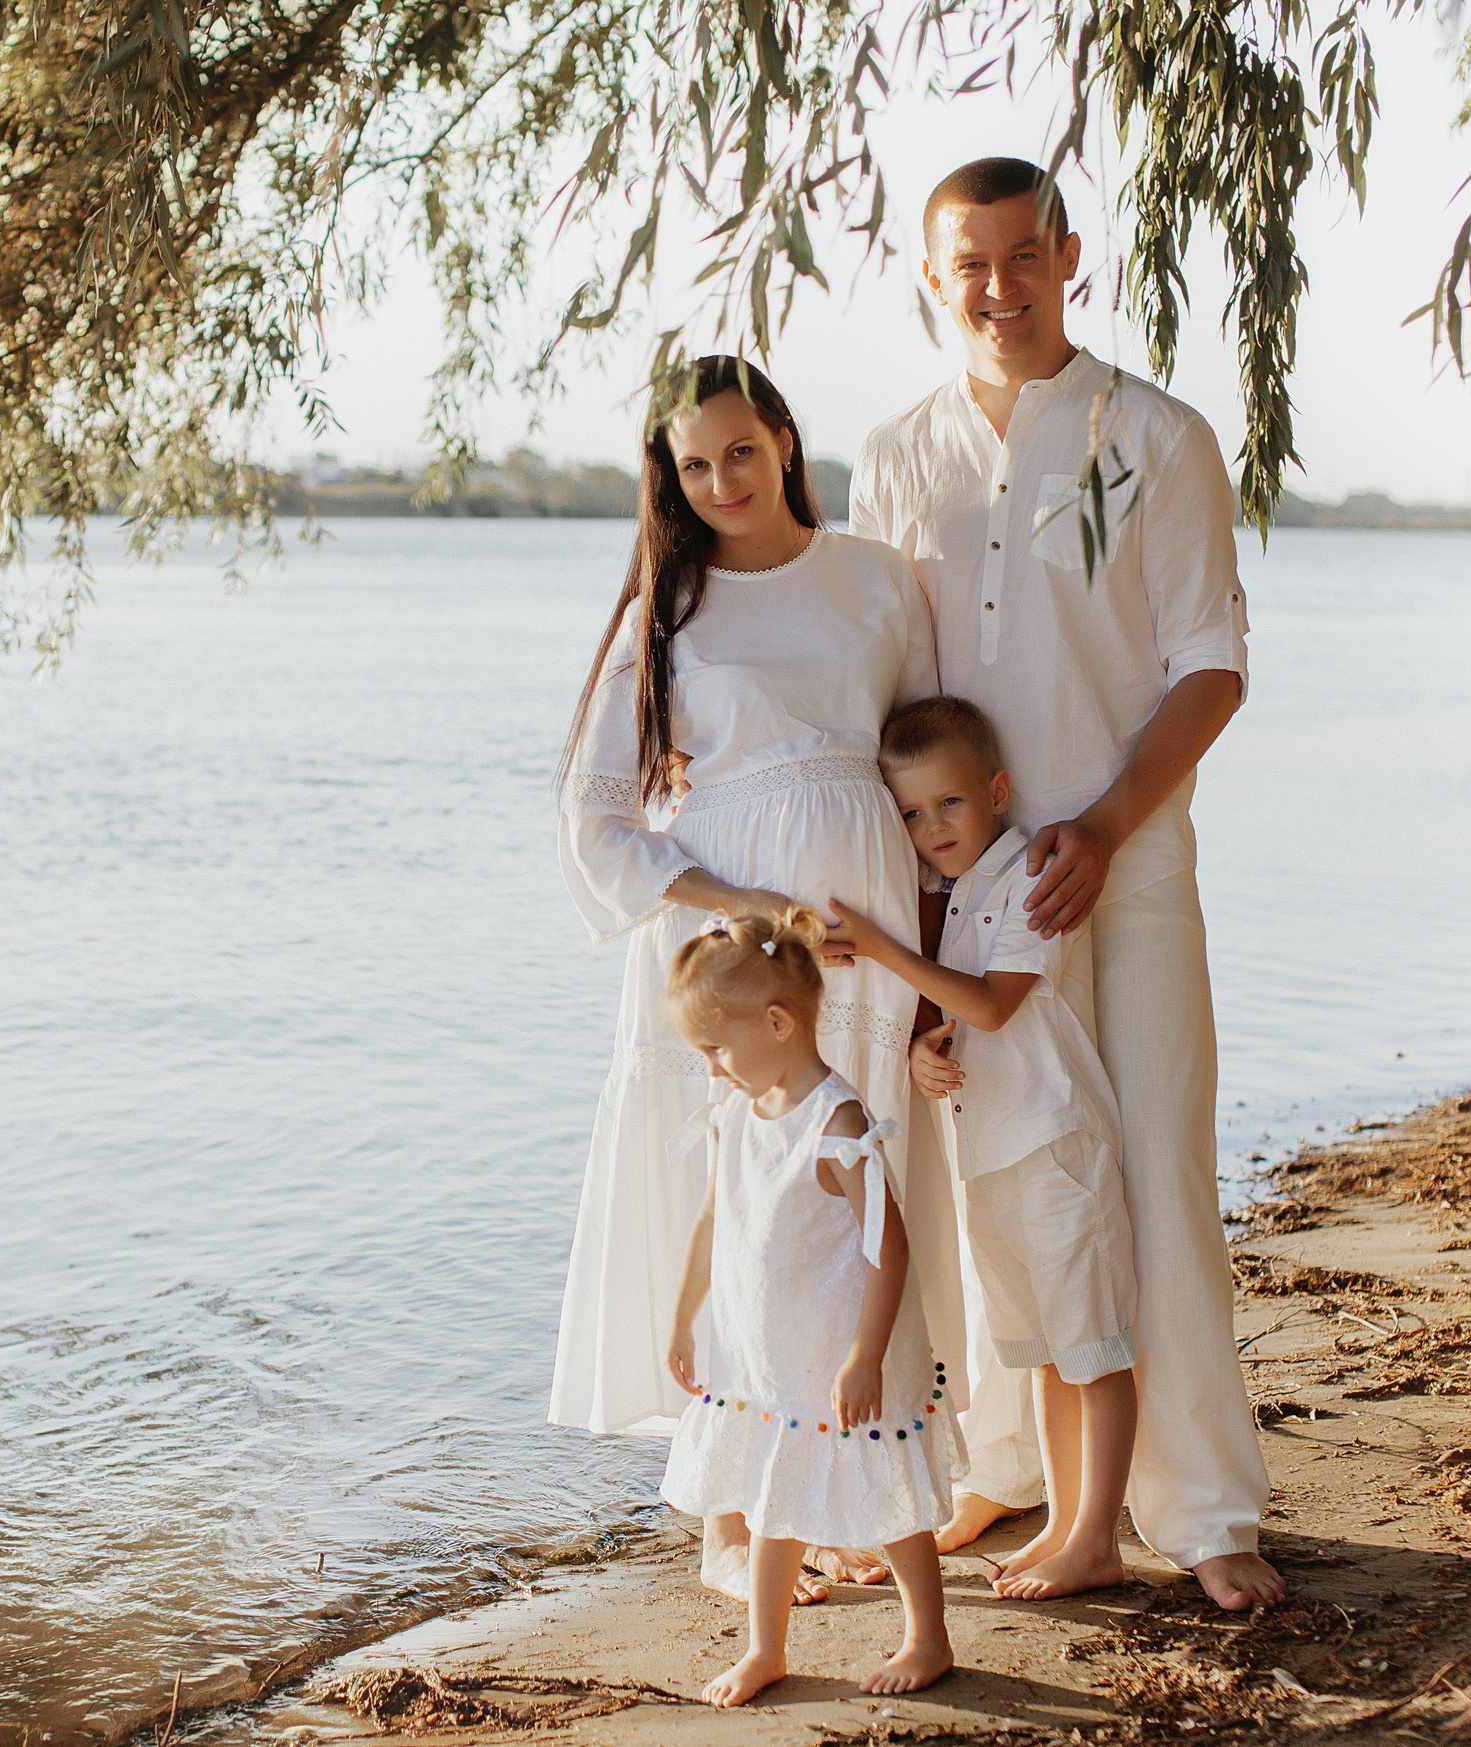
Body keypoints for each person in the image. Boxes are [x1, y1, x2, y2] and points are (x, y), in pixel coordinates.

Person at [850, 156, 1285, 1611]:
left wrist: (1098, 830)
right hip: (967, 898)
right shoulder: (896, 452)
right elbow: (887, 698)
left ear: (1068, 255)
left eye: (1022, 253)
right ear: (932, 278)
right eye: (967, 262)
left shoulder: (1154, 436)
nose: (996, 284)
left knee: (1155, 1161)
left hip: (1129, 861)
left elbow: (1210, 667)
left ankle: (1204, 1503)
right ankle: (1002, 1471)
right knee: (998, 1181)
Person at [553, 355, 961, 1601]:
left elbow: (924, 768)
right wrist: (750, 907)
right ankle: (728, 1521)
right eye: (692, 463)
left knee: (849, 1204)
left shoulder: (882, 585)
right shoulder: (664, 614)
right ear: (669, 479)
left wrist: (935, 967)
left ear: (785, 440)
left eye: (741, 449)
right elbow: (595, 817)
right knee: (728, 1194)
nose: (721, 480)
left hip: (870, 933)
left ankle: (850, 1483)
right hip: (734, 956)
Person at [828, 697, 1138, 1601]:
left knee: (1095, 1350)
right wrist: (926, 1045)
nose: (932, 829)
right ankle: (1060, 1520)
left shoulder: (1031, 875)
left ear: (997, 791)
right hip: (992, 1157)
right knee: (1042, 1350)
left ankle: (1097, 1536)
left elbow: (997, 1001)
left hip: (1053, 1146)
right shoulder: (958, 896)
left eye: (949, 805)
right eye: (913, 815)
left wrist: (884, 950)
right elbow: (963, 1013)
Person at [657, 908, 961, 1705]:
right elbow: (712, 1219)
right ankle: (766, 1648)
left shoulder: (836, 1122)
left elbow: (889, 1247)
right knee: (769, 1494)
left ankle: (928, 1635)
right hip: (769, 1354)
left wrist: (866, 1354)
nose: (714, 1068)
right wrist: (683, 1317)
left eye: (718, 1047)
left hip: (842, 1350)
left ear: (779, 1020)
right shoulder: (737, 1113)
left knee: (890, 1496)